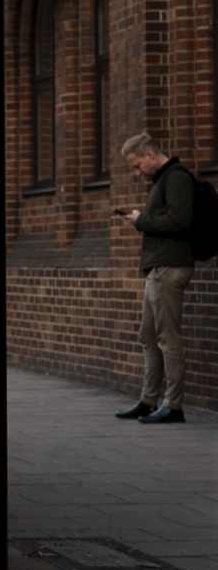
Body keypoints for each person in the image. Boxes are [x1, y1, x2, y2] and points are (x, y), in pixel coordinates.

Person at [116, 132, 195, 424]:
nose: (137, 173)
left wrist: (141, 220)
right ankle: (148, 401)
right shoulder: (160, 181)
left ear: (150, 154)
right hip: (156, 269)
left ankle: (173, 405)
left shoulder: (176, 178)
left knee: (166, 337)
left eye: (137, 166)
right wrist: (142, 218)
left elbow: (179, 220)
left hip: (169, 268)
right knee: (147, 335)